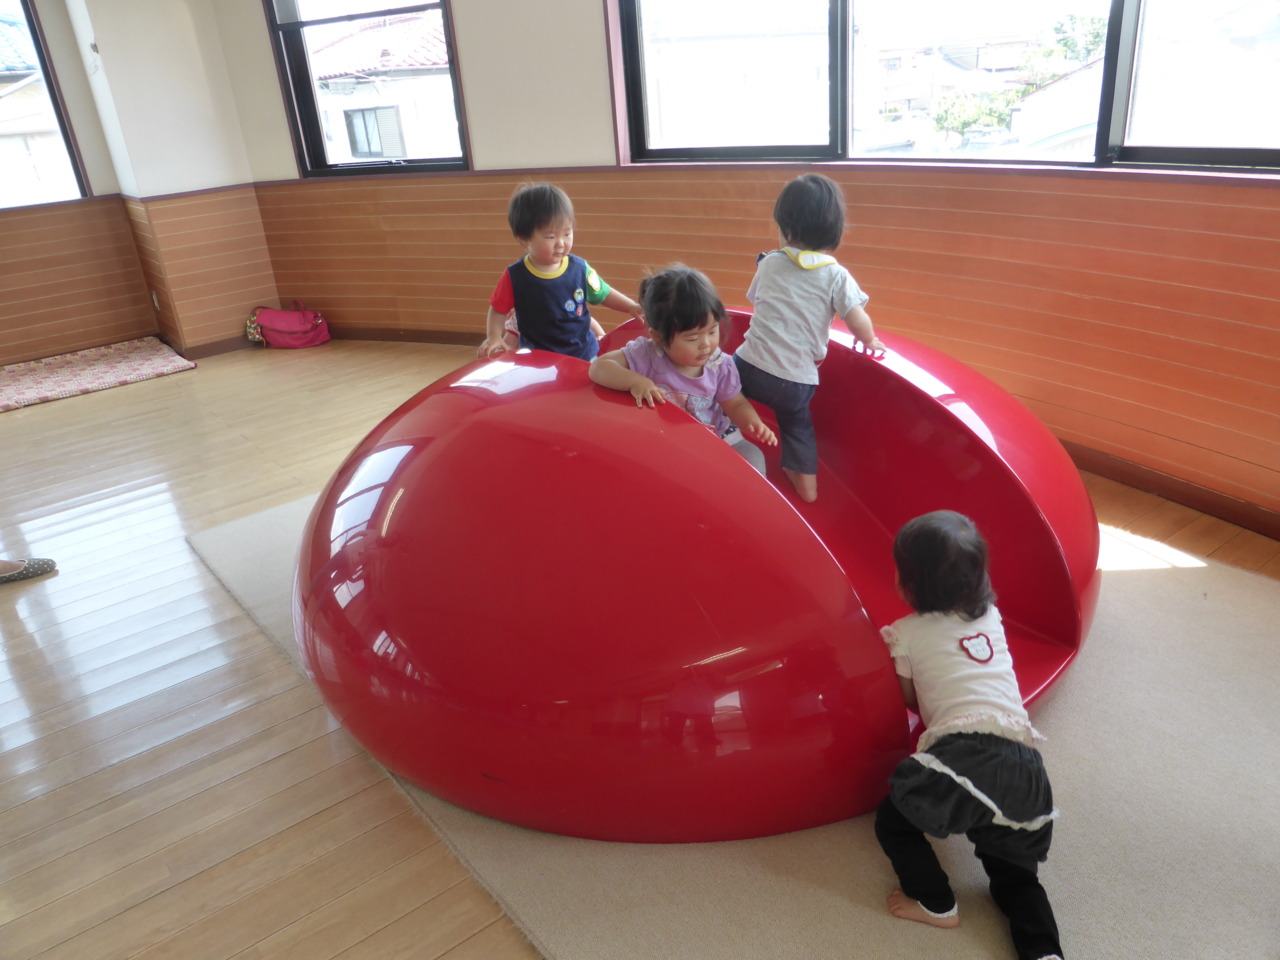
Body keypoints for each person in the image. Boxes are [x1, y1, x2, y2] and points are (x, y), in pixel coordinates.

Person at [874, 510, 1063, 960]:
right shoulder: (991, 617)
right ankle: (1045, 953)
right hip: (1024, 762)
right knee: (1016, 877)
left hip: (964, 756)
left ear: (908, 585)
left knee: (893, 820)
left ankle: (935, 902)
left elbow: (911, 700)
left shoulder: (904, 634)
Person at [734, 173, 885, 503]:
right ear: (834, 231)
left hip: (749, 366)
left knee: (724, 387)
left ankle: (719, 431)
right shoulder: (837, 275)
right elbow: (856, 316)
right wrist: (870, 340)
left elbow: (756, 299)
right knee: (797, 428)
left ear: (787, 230)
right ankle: (807, 487)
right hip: (797, 382)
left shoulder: (770, 263)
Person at [589, 264, 776, 474]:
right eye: (693, 338)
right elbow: (599, 367)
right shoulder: (647, 355)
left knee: (753, 457)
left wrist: (752, 423)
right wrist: (635, 382)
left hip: (715, 435)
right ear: (658, 336)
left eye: (712, 331)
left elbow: (735, 403)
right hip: (664, 439)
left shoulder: (719, 364)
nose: (706, 344)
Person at [478, 183, 641, 361]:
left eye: (567, 234)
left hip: (583, 354)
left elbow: (604, 293)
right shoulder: (515, 276)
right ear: (524, 238)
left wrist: (630, 306)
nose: (561, 243)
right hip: (537, 359)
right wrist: (494, 336)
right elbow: (498, 309)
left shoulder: (580, 268)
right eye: (551, 237)